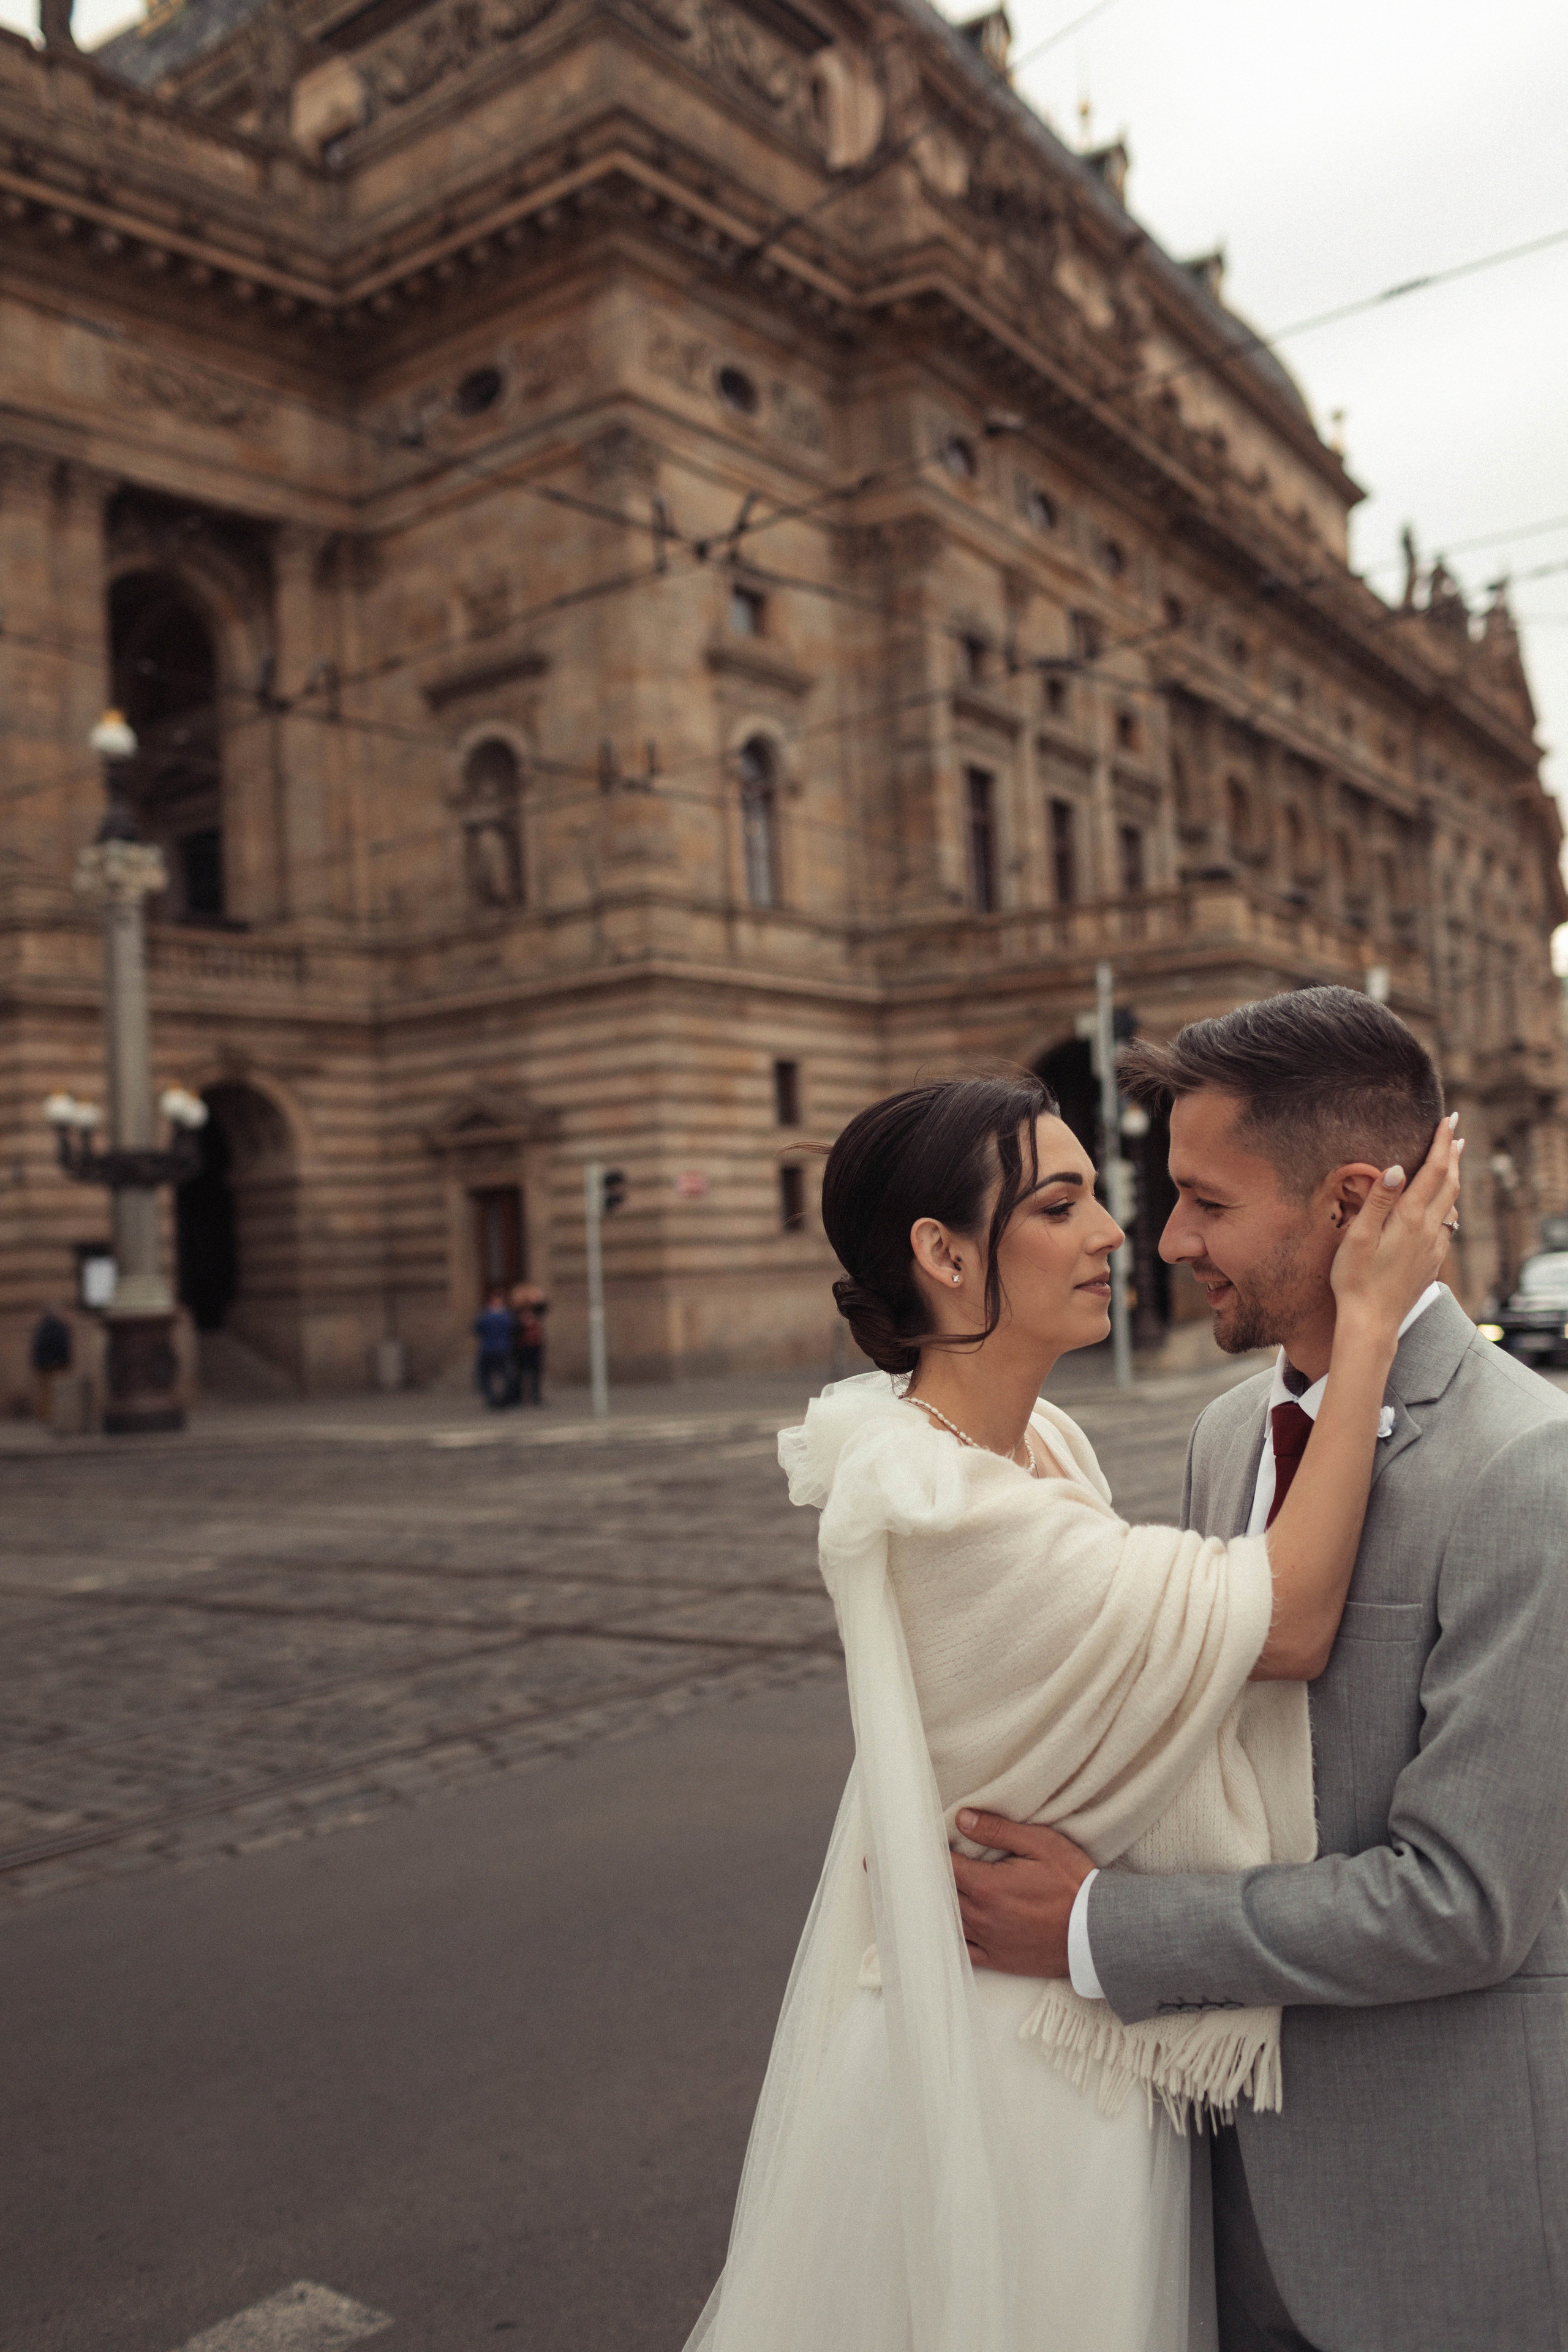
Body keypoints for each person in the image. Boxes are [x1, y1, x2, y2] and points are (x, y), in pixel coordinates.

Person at [682, 1063, 1458, 2352]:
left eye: (1102, 1196)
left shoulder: (1039, 1446)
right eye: (1059, 1206)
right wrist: (1370, 1326)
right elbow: (1287, 1617)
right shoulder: (938, 1504)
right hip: (1010, 2070)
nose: (1116, 1235)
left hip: (1076, 2028)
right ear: (942, 1253)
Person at [952, 988, 1568, 2352]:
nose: (1164, 1241)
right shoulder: (1228, 1434)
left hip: (1438, 2227)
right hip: (1218, 2213)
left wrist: (1092, 1928)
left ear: (1351, 1201)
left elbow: (1464, 1903)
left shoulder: (1531, 1471)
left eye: (1204, 1203)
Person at [472, 1286, 515, 1409]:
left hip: (488, 1348)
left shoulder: (485, 1315)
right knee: (505, 1375)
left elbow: (477, 1329)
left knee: (486, 1376)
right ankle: (505, 1400)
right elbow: (513, 1330)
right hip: (503, 1348)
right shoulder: (507, 1316)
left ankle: (491, 1399)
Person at [507, 1281, 548, 1406]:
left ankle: (535, 1396)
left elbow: (544, 1307)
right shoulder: (515, 1312)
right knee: (520, 1372)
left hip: (534, 1345)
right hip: (521, 1346)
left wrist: (537, 1299)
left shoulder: (536, 1311)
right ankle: (518, 1397)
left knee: (535, 1372)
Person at [30, 1305, 73, 1423]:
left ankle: (46, 1416)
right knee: (55, 1391)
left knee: (45, 1392)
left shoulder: (42, 1328)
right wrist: (65, 1362)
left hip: (43, 1365)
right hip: (56, 1364)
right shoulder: (60, 1327)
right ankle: (54, 1416)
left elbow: (37, 1347)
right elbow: (63, 1346)